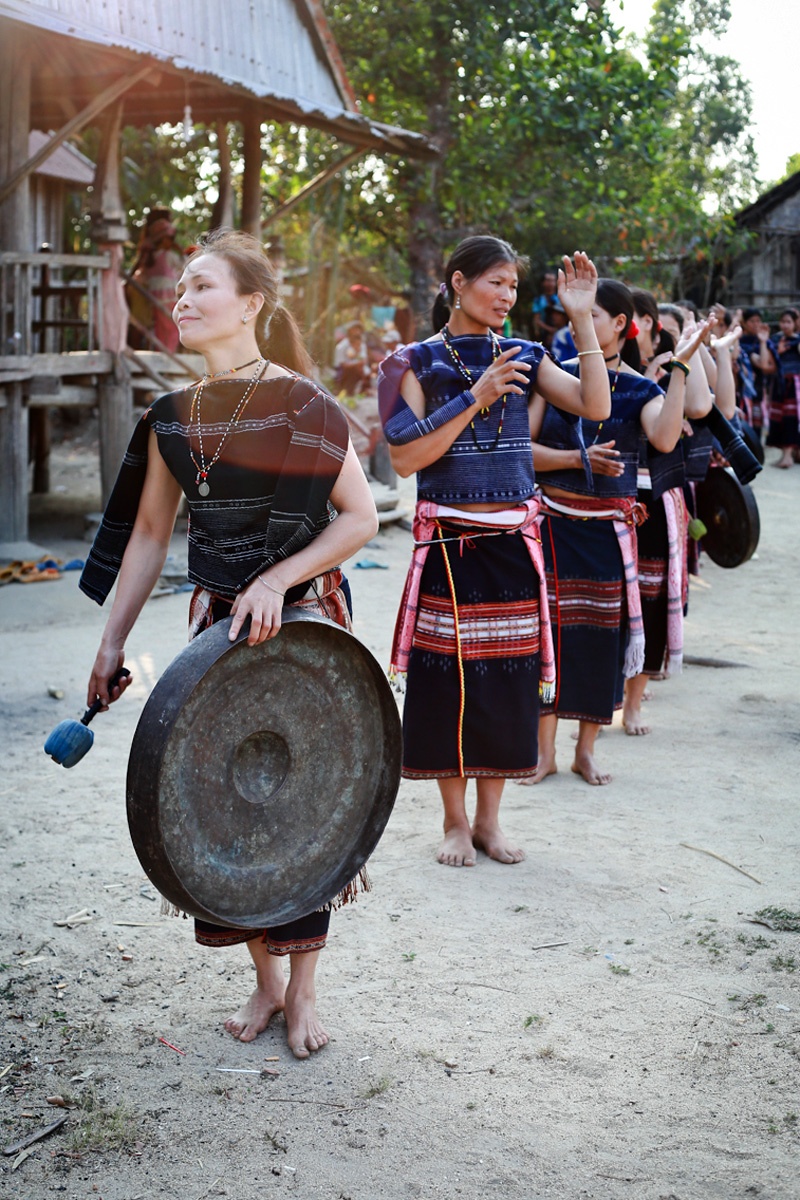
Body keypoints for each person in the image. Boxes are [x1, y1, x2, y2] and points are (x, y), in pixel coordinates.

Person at [80, 229, 378, 1057]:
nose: (183, 300)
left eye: (202, 286)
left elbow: (360, 518)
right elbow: (148, 534)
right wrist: (113, 644)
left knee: (308, 800)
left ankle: (307, 992)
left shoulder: (304, 403)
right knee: (221, 799)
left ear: (251, 303)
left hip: (304, 620)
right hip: (217, 625)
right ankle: (266, 981)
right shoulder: (171, 418)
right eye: (179, 291)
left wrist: (280, 579)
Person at [378, 236, 610, 867]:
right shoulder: (410, 362)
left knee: (506, 684)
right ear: (458, 282)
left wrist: (581, 315)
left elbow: (596, 404)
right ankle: (453, 823)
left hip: (511, 544)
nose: (506, 296)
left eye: (513, 286)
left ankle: (488, 823)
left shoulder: (529, 355)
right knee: (446, 685)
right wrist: (476, 396)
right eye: (496, 283)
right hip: (448, 547)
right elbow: (405, 457)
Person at [528, 280, 712, 782]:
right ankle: (544, 754)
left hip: (608, 534)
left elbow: (666, 435)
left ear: (621, 326)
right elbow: (523, 451)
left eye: (593, 314)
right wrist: (576, 459)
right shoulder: (555, 379)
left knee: (599, 642)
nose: (579, 321)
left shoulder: (641, 388)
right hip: (552, 527)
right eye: (575, 315)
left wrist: (679, 367)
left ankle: (585, 751)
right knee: (550, 639)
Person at [127, 207, 184, 353]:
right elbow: (184, 265)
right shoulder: (165, 254)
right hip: (163, 297)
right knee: (168, 327)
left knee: (159, 328)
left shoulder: (151, 253)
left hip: (153, 296)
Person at [767, 308, 800, 468]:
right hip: (779, 383)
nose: (785, 325)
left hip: (794, 385)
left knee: (791, 418)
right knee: (779, 417)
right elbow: (768, 362)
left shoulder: (798, 341)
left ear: (795, 324)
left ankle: (788, 456)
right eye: (783, 321)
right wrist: (777, 351)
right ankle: (785, 455)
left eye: (789, 322)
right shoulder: (774, 340)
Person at [334, 320, 371, 395]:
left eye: (358, 330)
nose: (357, 332)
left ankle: (362, 388)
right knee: (354, 370)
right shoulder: (342, 346)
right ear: (349, 331)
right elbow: (342, 365)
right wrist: (356, 365)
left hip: (360, 369)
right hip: (344, 371)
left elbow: (364, 359)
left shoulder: (362, 345)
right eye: (355, 329)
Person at [530, 269, 564, 348]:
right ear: (543, 283)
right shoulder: (538, 300)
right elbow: (536, 320)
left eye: (553, 281)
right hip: (544, 334)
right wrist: (550, 330)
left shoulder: (560, 298)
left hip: (560, 332)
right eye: (548, 280)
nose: (551, 283)